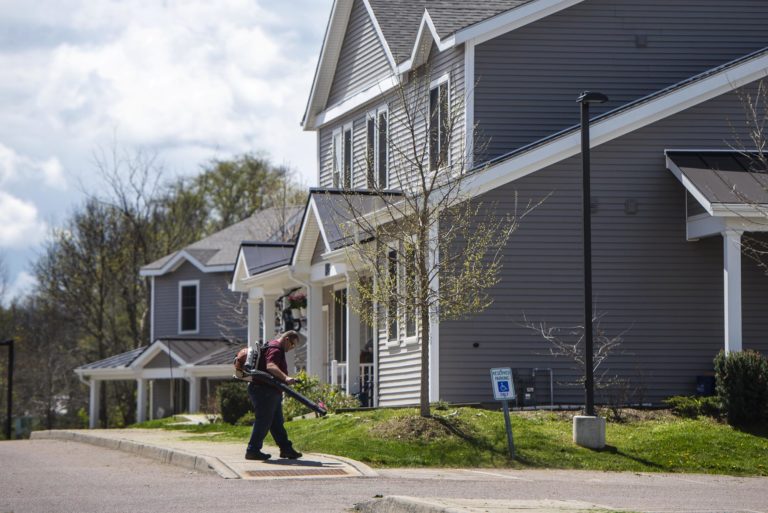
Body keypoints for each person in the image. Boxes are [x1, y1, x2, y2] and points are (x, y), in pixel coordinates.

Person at [245, 330, 303, 461]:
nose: (291, 348)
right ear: (287, 339)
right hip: (265, 391)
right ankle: (252, 450)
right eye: (292, 345)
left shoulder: (270, 345)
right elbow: (270, 366)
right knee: (263, 421)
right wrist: (286, 378)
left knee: (276, 423)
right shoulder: (276, 349)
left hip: (269, 391)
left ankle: (286, 449)